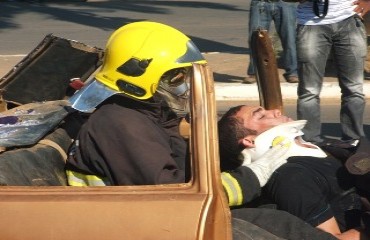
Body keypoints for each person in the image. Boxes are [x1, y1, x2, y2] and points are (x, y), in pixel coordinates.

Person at [64, 21, 338, 239]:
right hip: (135, 227)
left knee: (275, 214)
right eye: (176, 77)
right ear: (142, 78)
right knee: (273, 225)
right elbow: (176, 197)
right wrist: (252, 176)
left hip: (166, 218)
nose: (184, 85)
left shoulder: (150, 115)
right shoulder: (122, 124)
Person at [218, 104, 369, 239]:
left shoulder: (326, 149)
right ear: (250, 141)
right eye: (261, 115)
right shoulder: (291, 176)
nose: (276, 111)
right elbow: (331, 238)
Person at [296, 0, 367, 144]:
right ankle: (310, 142)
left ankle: (353, 141)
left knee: (354, 89)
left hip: (350, 19)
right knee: (309, 91)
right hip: (310, 23)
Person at [245, 0, 299, 84]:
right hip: (260, 3)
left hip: (286, 3)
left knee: (289, 39)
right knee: (256, 39)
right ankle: (254, 72)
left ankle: (292, 73)